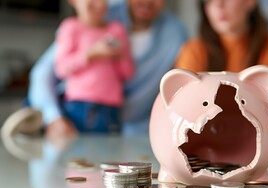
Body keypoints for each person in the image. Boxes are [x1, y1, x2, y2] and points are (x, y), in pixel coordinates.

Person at [28, 0, 188, 138]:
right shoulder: (97, 14)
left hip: (130, 129)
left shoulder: (176, 34)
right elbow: (44, 72)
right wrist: (53, 118)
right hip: (73, 110)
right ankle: (31, 119)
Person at [175, 0, 268, 119]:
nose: (218, 5)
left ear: (250, 2)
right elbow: (185, 114)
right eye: (209, 0)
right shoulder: (193, 51)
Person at [55, 0, 134, 133]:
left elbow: (127, 73)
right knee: (78, 150)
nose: (98, 4)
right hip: (79, 106)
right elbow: (61, 69)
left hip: (111, 108)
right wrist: (91, 53)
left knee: (109, 150)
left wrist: (120, 56)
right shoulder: (71, 27)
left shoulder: (117, 30)